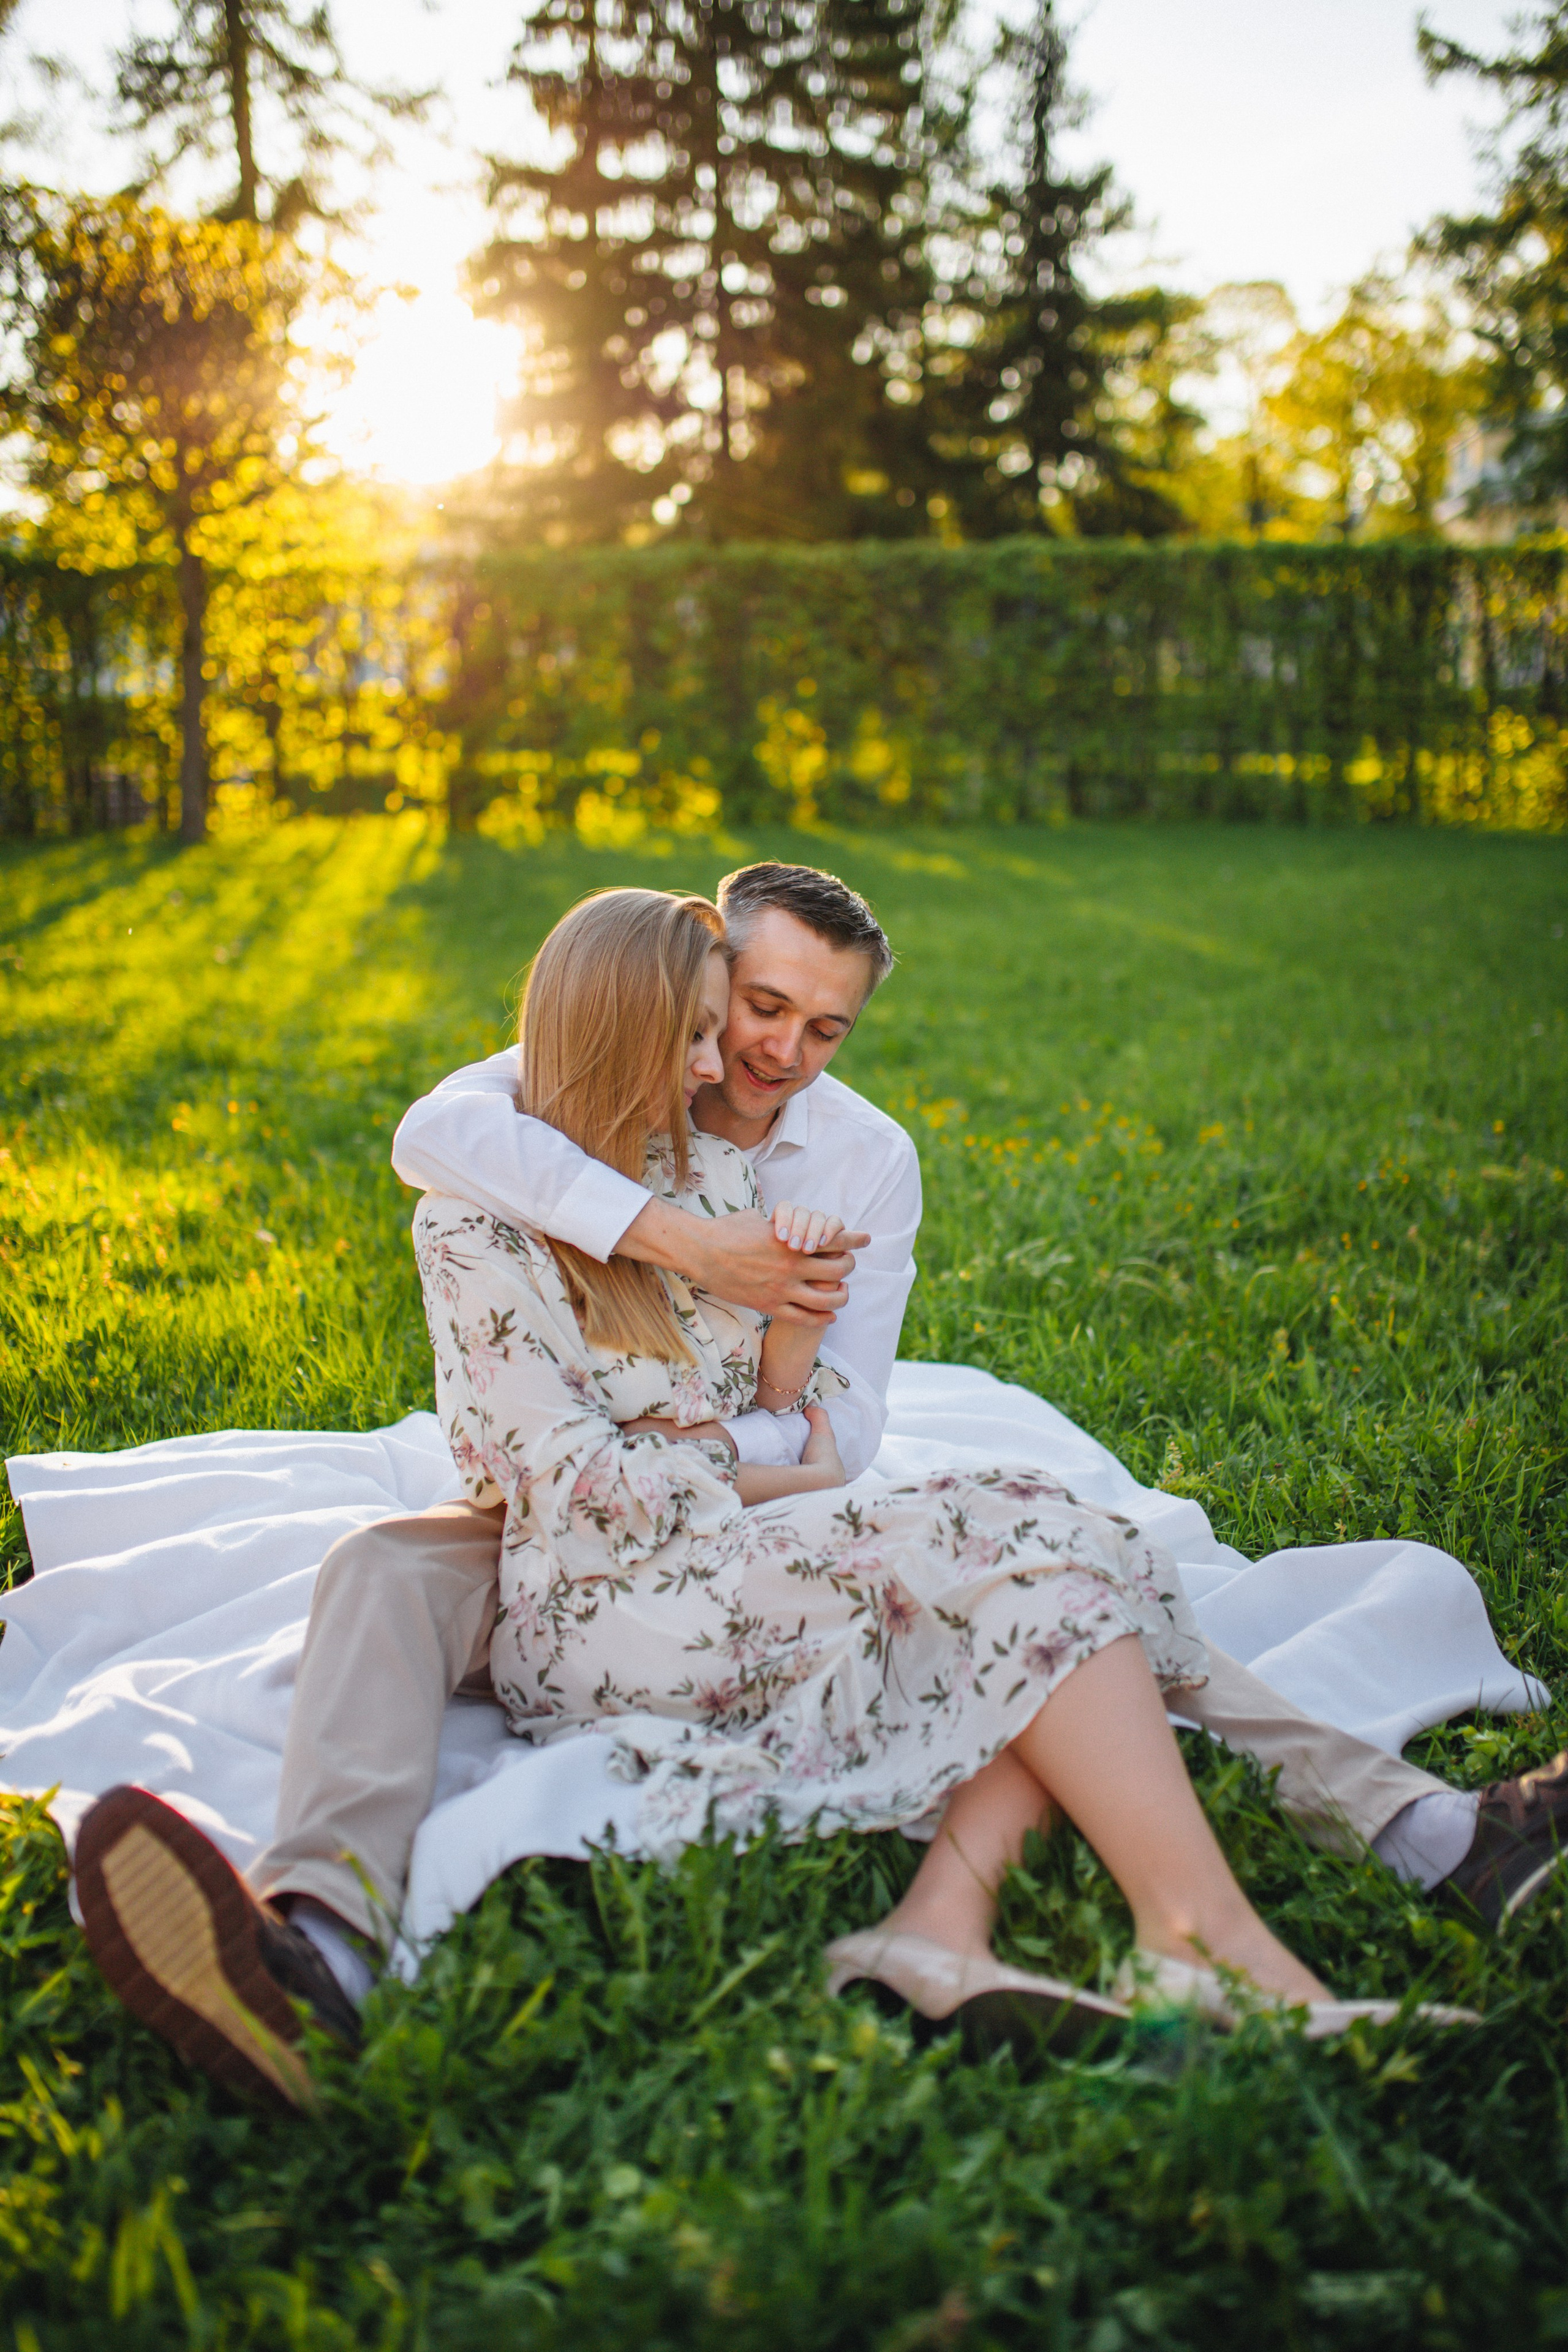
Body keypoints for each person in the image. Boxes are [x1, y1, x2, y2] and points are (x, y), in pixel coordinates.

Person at [72, 864, 1559, 2105]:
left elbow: (821, 1429)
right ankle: (316, 1942)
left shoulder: (836, 1163)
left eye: (811, 1029)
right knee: (383, 1565)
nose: (759, 1062)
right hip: (583, 1548)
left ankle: (1026, 1929)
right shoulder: (507, 1163)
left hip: (728, 1516)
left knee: (1041, 1538)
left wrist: (770, 1368)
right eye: (742, 1018)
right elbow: (455, 1173)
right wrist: (686, 1281)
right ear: (690, 992)